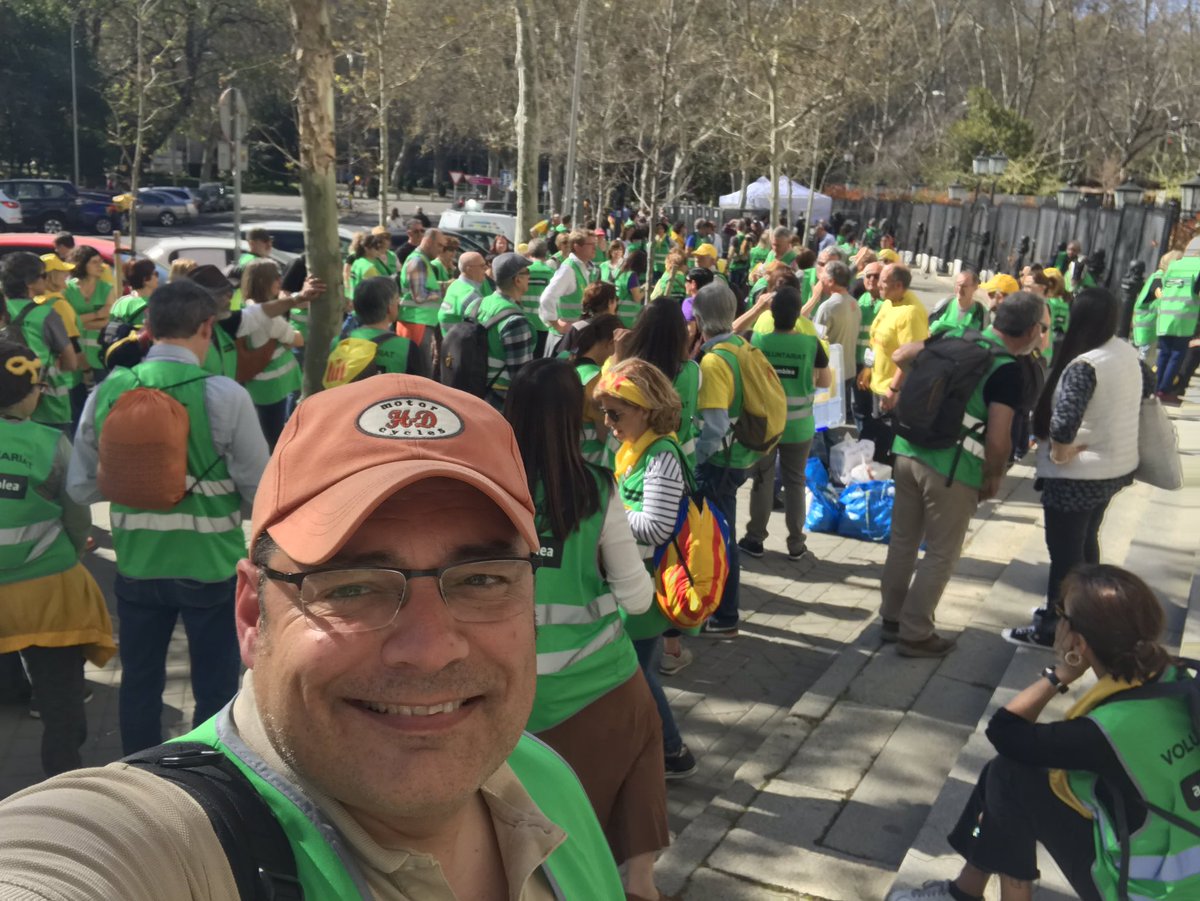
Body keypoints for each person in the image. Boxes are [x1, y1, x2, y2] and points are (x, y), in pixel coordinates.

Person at [4, 373, 624, 898]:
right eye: (351, 586)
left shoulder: (541, 779)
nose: (431, 647)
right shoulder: (160, 844)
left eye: (482, 579)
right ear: (252, 615)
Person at [893, 565, 1200, 901]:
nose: (1058, 622)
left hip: (1148, 890)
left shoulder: (1107, 730)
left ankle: (980, 894)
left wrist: (1062, 673)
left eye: (1061, 614)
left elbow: (1006, 731)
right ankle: (964, 892)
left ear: (1078, 640)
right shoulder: (1185, 678)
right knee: (1009, 773)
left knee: (1011, 775)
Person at [67, 280, 269, 755]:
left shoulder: (107, 392)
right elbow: (258, 491)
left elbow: (80, 487)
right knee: (216, 687)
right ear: (206, 327)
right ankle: (207, 774)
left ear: (149, 328)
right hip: (211, 567)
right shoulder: (226, 396)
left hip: (137, 565)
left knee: (139, 681)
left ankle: (140, 773)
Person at [504, 359, 671, 901]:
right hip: (597, 681)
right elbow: (636, 597)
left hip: (509, 691)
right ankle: (640, 881)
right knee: (646, 728)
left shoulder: (490, 493)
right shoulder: (597, 489)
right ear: (574, 417)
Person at [879, 291, 1045, 658]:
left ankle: (891, 619)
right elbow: (999, 438)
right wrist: (994, 476)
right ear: (1033, 330)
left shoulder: (957, 335)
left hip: (907, 452)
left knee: (903, 542)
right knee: (941, 552)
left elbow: (900, 354)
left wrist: (900, 384)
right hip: (952, 469)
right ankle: (915, 633)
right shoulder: (1006, 370)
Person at [1002, 288, 1146, 651]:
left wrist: (1064, 452)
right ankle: (1087, 615)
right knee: (1085, 542)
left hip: (1078, 476)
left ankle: (1055, 627)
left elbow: (1063, 426)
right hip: (1114, 469)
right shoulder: (1126, 352)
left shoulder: (1086, 364)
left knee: (1065, 555)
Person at [0, 339, 115, 775]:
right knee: (61, 701)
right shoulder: (50, 443)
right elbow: (78, 518)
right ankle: (62, 777)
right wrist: (69, 552)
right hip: (49, 590)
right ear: (28, 392)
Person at [595, 359, 698, 779]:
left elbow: (656, 527)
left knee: (636, 676)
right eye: (605, 412)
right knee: (636, 674)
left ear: (645, 409)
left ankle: (673, 753)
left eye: (616, 413)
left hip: (648, 587)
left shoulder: (661, 455)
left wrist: (604, 517)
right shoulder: (636, 449)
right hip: (634, 580)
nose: (607, 422)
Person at [740, 286, 831, 563]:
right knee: (794, 482)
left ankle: (755, 538)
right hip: (800, 427)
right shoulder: (811, 343)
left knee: (763, 480)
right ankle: (795, 543)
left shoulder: (757, 340)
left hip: (766, 426)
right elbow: (826, 382)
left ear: (772, 313)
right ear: (797, 316)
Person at [693, 281, 756, 637]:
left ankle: (725, 615)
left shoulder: (715, 361)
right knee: (724, 533)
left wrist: (696, 457)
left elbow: (714, 424)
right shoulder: (740, 346)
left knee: (718, 538)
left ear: (700, 319)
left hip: (719, 461)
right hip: (740, 455)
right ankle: (724, 612)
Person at [1, 252, 78, 432]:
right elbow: (71, 363)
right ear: (30, 283)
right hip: (49, 405)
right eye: (43, 276)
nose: (46, 280)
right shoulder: (46, 314)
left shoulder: (3, 311)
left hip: (7, 402)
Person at [863, 263, 929, 462]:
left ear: (899, 286)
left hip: (892, 390)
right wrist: (868, 368)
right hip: (877, 382)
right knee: (872, 442)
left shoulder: (910, 313)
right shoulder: (888, 301)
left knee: (885, 448)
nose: (877, 286)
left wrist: (894, 389)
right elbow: (876, 339)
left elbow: (910, 357)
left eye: (883, 282)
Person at [239, 258, 304, 449]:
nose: (280, 280)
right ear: (263, 282)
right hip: (272, 387)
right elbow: (297, 339)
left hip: (259, 384)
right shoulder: (270, 319)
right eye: (275, 277)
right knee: (274, 438)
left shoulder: (248, 307)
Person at [477, 252, 536, 409]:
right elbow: (521, 376)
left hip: (473, 391)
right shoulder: (515, 321)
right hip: (499, 399)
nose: (529, 277)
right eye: (527, 273)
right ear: (517, 280)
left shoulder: (477, 304)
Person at [335, 276, 427, 376]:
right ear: (389, 307)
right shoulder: (407, 347)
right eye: (397, 299)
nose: (399, 303)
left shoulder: (338, 342)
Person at [1152, 239, 1200, 405]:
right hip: (1184, 319)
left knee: (1163, 354)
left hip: (1166, 316)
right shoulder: (1199, 267)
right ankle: (1164, 390)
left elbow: (1165, 288)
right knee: (1176, 356)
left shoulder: (1175, 265)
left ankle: (1155, 387)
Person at [811, 259, 860, 422]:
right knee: (835, 419)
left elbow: (815, 339)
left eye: (822, 277)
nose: (820, 280)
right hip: (848, 370)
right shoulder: (854, 303)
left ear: (831, 281)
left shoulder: (828, 306)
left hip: (830, 372)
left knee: (822, 421)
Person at [397, 226, 448, 369]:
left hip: (417, 322)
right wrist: (442, 292)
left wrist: (442, 286)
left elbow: (421, 288)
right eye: (439, 245)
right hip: (416, 323)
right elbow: (419, 296)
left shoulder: (421, 261)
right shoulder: (418, 261)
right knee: (420, 372)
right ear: (427, 242)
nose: (441, 250)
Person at [539, 229, 597, 352]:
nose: (595, 248)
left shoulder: (584, 267)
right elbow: (546, 298)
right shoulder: (568, 269)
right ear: (576, 246)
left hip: (574, 336)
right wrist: (556, 324)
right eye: (591, 244)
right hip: (562, 339)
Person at [63, 245, 114, 382]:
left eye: (101, 261)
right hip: (74, 354)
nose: (101, 266)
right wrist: (97, 315)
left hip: (100, 355)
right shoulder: (67, 289)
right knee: (77, 399)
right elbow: (67, 323)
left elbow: (107, 322)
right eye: (94, 262)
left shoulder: (107, 288)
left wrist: (78, 322)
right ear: (82, 264)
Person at [853, 260, 885, 432]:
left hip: (875, 366)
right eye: (868, 275)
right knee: (858, 408)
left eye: (876, 275)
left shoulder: (886, 304)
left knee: (875, 411)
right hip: (857, 362)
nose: (872, 279)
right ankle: (862, 444)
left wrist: (868, 366)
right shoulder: (861, 300)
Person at [437, 250, 487, 336]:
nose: (486, 268)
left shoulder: (455, 285)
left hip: (451, 343)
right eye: (482, 266)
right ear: (469, 269)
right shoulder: (470, 295)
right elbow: (486, 325)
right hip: (465, 344)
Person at [928, 268, 988, 337]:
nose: (960, 290)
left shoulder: (981, 313)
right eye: (958, 285)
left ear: (975, 287)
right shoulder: (943, 304)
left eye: (964, 286)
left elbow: (986, 339)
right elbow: (927, 330)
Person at [109, 259, 160, 327]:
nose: (157, 277)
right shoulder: (155, 305)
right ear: (146, 280)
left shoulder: (120, 302)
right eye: (156, 274)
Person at [615, 248, 648, 327]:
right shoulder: (632, 275)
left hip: (619, 314)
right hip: (629, 318)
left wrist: (642, 287)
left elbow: (630, 290)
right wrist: (646, 287)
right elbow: (637, 297)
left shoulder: (621, 273)